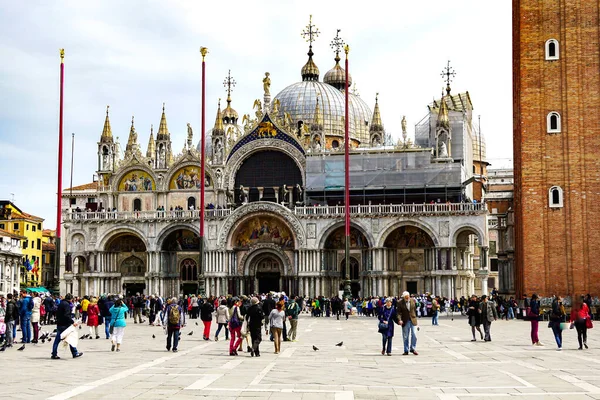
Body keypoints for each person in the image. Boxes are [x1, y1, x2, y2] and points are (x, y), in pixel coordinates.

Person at [51, 294, 83, 359]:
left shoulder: (61, 303)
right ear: (70, 299)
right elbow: (67, 315)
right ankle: (75, 353)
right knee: (70, 338)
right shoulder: (67, 305)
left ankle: (54, 353)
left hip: (59, 323)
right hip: (65, 325)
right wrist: (72, 322)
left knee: (57, 340)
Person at [397, 291, 418, 355]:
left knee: (414, 334)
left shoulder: (413, 301)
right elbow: (399, 313)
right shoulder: (400, 303)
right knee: (405, 336)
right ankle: (406, 350)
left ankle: (413, 348)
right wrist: (399, 320)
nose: (407, 298)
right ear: (403, 297)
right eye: (405, 297)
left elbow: (414, 310)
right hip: (405, 320)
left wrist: (416, 319)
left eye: (408, 297)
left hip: (413, 320)